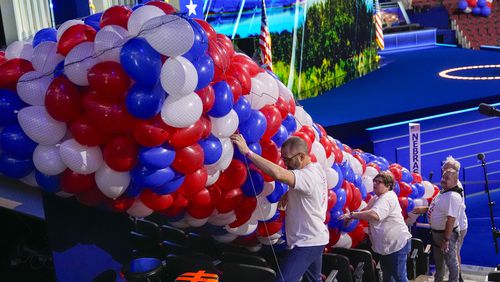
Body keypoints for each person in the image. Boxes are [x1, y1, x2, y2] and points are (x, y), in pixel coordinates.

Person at [230, 134, 329, 282]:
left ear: (301, 156)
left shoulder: (308, 176)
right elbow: (310, 190)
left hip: (307, 242)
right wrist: (290, 194)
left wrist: (248, 152)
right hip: (317, 237)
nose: (285, 163)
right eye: (283, 159)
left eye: (287, 159)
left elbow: (278, 173)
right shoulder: (316, 168)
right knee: (314, 280)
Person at [339, 171, 411, 282]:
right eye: (374, 181)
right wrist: (352, 216)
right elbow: (366, 210)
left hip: (396, 244)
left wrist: (352, 215)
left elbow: (374, 215)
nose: (375, 184)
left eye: (379, 182)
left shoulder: (387, 198)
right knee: (388, 278)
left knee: (399, 277)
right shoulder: (377, 198)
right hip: (386, 246)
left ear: (388, 185)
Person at [427, 168, 463, 282]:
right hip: (438, 234)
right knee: (439, 262)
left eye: (447, 178)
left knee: (451, 263)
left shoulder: (452, 196)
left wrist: (446, 239)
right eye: (443, 177)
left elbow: (451, 220)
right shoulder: (443, 191)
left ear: (455, 181)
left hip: (447, 235)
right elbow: (438, 209)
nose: (443, 180)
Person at [442, 156, 467, 282]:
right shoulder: (448, 184)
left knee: (455, 254)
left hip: (458, 227)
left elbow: (452, 215)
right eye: (444, 167)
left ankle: (458, 279)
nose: (444, 169)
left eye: (447, 167)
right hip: (454, 226)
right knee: (454, 254)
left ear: (455, 172)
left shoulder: (455, 187)